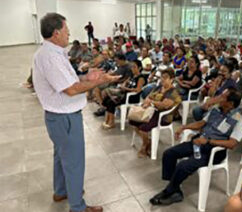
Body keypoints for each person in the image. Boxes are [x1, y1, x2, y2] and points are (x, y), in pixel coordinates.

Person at [33, 13, 120, 212]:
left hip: (58, 118)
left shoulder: (54, 53)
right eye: (66, 30)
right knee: (74, 162)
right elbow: (71, 90)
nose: (69, 33)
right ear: (56, 33)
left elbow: (70, 81)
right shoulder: (50, 57)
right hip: (65, 118)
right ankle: (77, 207)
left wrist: (87, 76)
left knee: (61, 157)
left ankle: (61, 190)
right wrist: (98, 81)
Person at [150, 88, 242, 206]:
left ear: (230, 104)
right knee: (169, 154)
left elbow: (232, 144)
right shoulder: (216, 109)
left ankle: (169, 191)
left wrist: (209, 141)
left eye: (223, 97)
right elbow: (201, 123)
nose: (219, 98)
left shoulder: (239, 120)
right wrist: (184, 127)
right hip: (198, 142)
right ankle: (174, 189)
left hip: (213, 152)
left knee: (183, 166)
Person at [130, 69, 182, 158]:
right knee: (134, 121)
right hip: (152, 111)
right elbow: (148, 97)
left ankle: (144, 146)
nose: (162, 79)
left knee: (143, 127)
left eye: (165, 78)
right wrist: (148, 102)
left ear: (172, 79)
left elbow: (164, 106)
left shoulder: (174, 92)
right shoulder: (158, 87)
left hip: (164, 116)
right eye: (162, 77)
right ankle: (148, 141)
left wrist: (152, 102)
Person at [101, 60, 146, 129]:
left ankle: (111, 122)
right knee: (107, 99)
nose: (132, 69)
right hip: (124, 94)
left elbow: (138, 90)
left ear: (139, 68)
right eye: (132, 67)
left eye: (134, 67)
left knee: (111, 102)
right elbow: (125, 83)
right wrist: (123, 85)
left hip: (132, 97)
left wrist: (126, 89)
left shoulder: (141, 78)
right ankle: (107, 120)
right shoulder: (132, 75)